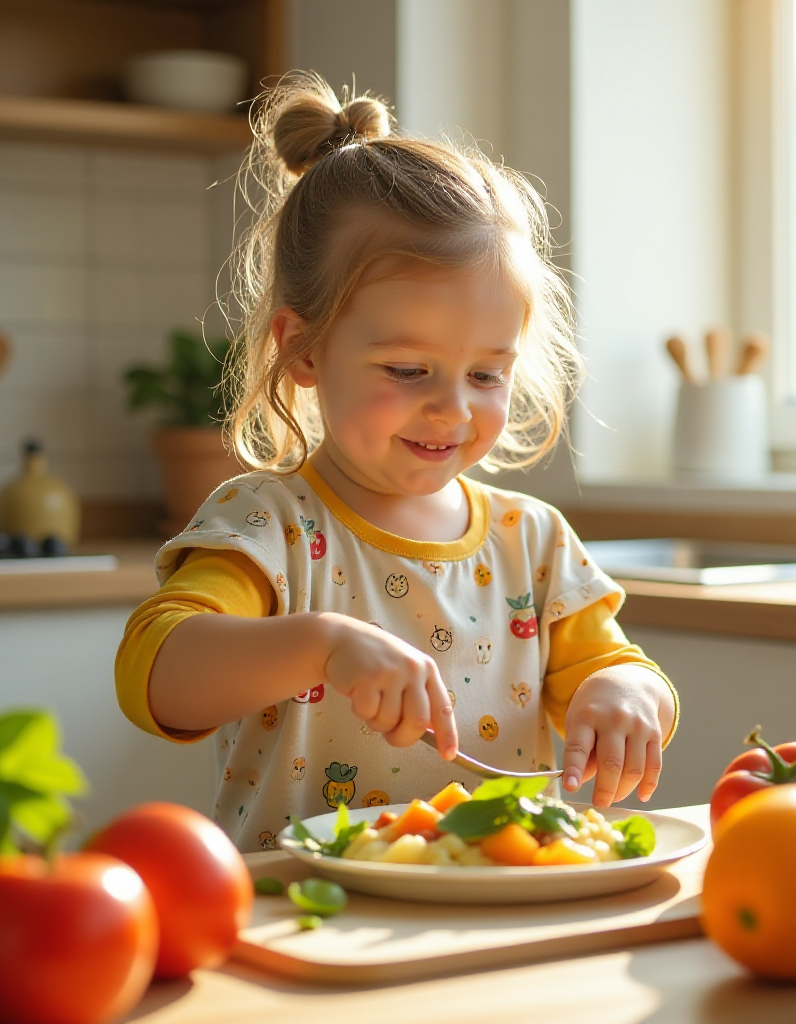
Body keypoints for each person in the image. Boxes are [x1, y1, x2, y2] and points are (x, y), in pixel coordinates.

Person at [115, 72, 678, 852]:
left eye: (486, 374)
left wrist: (629, 692)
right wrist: (321, 644)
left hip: (490, 912)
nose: (453, 409)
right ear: (303, 349)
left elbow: (617, 666)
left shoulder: (534, 541)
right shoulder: (267, 526)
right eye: (409, 371)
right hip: (302, 917)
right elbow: (155, 674)